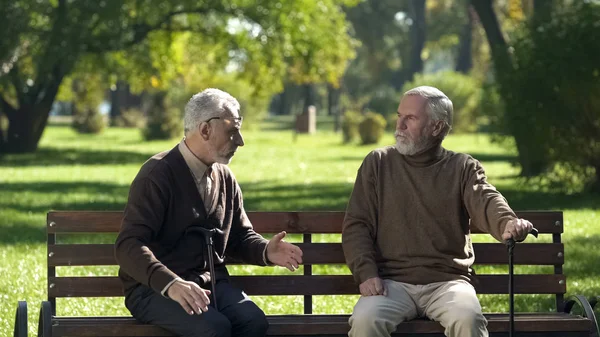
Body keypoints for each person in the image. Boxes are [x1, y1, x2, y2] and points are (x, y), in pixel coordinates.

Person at [341, 86, 533, 337]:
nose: (399, 125)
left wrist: (507, 223)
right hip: (390, 284)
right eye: (399, 116)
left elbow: (486, 199)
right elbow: (357, 224)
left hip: (449, 283)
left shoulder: (463, 167)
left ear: (437, 127)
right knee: (366, 320)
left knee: (469, 319)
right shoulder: (378, 163)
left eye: (410, 118)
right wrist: (366, 274)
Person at [115, 88, 303, 337]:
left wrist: (265, 250)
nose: (240, 141)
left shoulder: (225, 178)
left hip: (211, 284)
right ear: (205, 130)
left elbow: (238, 237)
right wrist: (171, 284)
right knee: (213, 328)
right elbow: (129, 244)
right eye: (232, 131)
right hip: (154, 289)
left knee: (253, 322)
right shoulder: (157, 175)